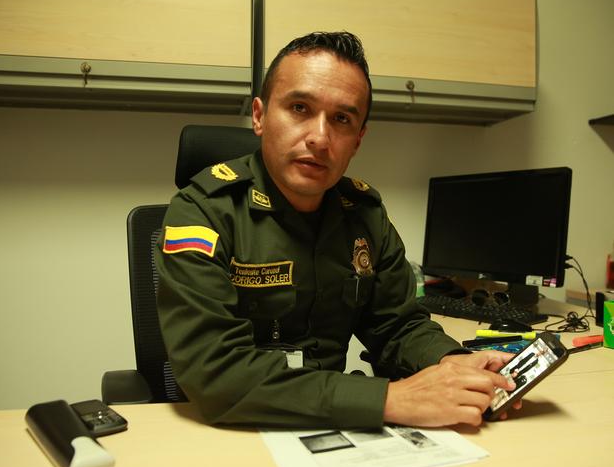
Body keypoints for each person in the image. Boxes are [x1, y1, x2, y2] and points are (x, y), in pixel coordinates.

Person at [155, 31, 517, 430]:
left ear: (358, 140)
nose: (320, 138)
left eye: (342, 119)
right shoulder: (203, 211)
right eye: (299, 107)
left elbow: (398, 325)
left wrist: (453, 364)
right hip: (237, 431)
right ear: (259, 116)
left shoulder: (363, 214)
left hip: (336, 428)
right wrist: (389, 400)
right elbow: (217, 372)